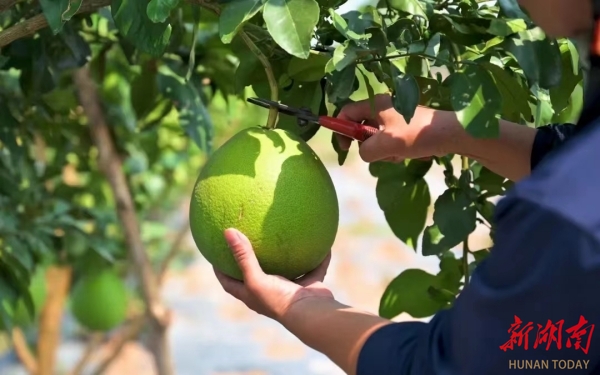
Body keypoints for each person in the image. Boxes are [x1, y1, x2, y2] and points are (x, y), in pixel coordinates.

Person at [214, 0, 600, 374]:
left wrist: (297, 306)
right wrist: (448, 131)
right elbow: (577, 154)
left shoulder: (567, 221)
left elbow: (447, 366)